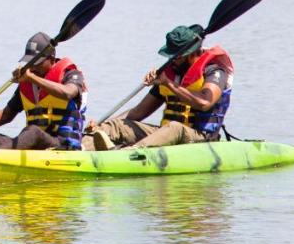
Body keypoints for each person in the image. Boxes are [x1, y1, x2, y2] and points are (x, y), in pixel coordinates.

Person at [87, 24, 233, 150]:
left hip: (201, 139)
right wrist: (102, 125)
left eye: (175, 57)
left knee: (174, 128)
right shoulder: (171, 74)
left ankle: (129, 154)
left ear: (191, 54)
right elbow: (138, 112)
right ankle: (80, 148)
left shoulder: (214, 71)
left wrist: (168, 83)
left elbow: (205, 103)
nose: (171, 61)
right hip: (166, 134)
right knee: (115, 126)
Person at [0, 32, 88, 150]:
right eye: (29, 62)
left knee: (32, 132)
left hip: (62, 146)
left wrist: (31, 78)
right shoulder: (28, 83)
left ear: (51, 59)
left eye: (35, 62)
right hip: (32, 145)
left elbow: (68, 92)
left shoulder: (71, 74)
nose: (32, 66)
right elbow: (6, 115)